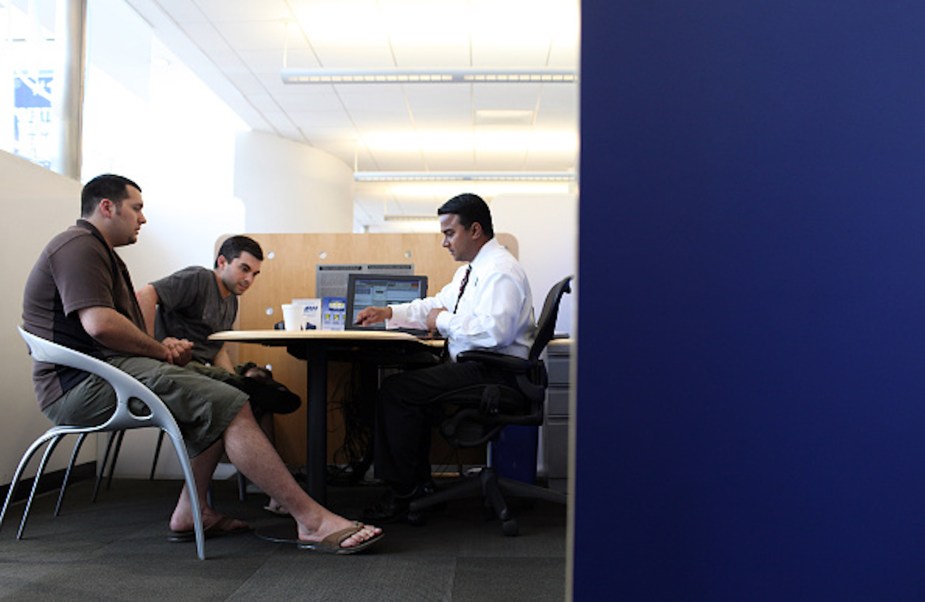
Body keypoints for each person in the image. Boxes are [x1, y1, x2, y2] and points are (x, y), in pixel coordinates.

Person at [21, 174, 383, 553]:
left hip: (104, 374)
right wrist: (158, 350)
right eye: (137, 208)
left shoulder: (100, 252)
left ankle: (192, 511)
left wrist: (160, 346)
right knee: (231, 402)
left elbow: (113, 329)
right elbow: (100, 325)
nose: (143, 219)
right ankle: (311, 521)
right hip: (81, 387)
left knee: (226, 392)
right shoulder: (80, 247)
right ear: (107, 207)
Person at [355, 193, 536, 523]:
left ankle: (403, 493)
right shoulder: (472, 271)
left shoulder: (500, 271)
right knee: (408, 384)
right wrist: (390, 311)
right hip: (477, 365)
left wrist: (440, 321)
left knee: (397, 392)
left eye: (449, 233)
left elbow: (495, 333)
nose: (444, 242)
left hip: (495, 372)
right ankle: (419, 487)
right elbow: (436, 302)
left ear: (475, 230)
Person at [136, 235, 299, 515]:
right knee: (249, 394)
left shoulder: (231, 300)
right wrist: (153, 347)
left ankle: (275, 493)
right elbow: (145, 294)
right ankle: (281, 492)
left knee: (256, 382)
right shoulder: (198, 279)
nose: (249, 279)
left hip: (206, 366)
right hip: (179, 368)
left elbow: (217, 348)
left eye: (255, 274)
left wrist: (233, 378)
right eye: (244, 269)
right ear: (222, 262)